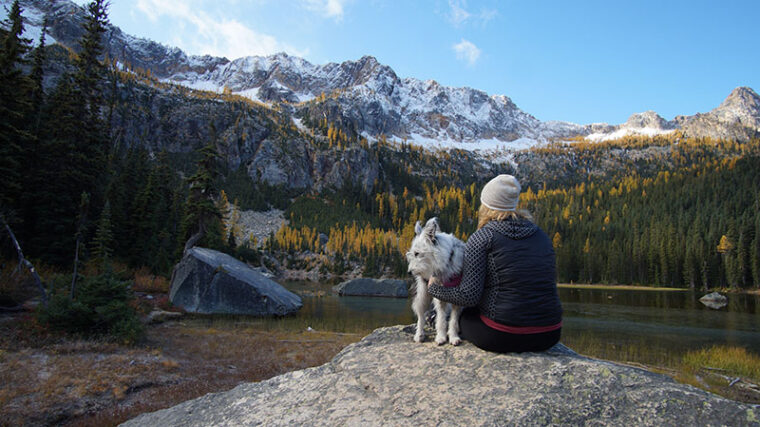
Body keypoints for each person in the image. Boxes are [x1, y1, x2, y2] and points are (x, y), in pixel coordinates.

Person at [427, 174, 562, 353]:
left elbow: (468, 297)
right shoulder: (541, 236)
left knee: (461, 315)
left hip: (501, 334)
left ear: (487, 205)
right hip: (549, 334)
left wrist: (434, 289)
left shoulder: (483, 237)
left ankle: (434, 318)